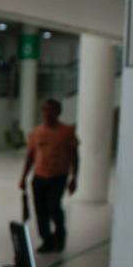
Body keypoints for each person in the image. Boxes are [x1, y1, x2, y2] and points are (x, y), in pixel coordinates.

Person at [19, 99, 79, 253]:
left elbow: (74, 156)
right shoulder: (36, 132)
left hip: (58, 177)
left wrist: (74, 178)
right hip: (39, 177)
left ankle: (60, 234)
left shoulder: (67, 131)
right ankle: (47, 239)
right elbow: (30, 156)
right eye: (45, 110)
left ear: (58, 112)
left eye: (51, 110)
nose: (47, 114)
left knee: (53, 206)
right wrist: (23, 177)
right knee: (40, 211)